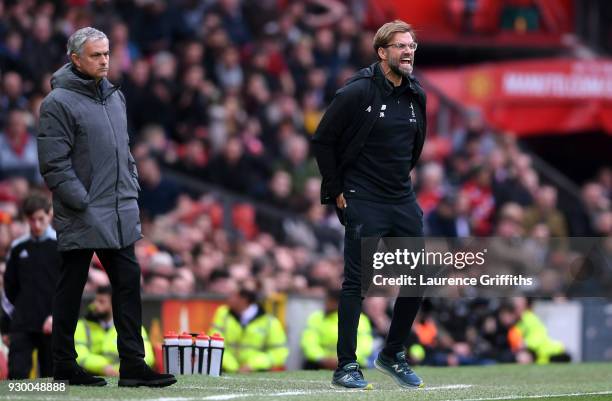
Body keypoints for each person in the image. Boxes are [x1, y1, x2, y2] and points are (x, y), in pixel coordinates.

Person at [37, 27, 176, 387]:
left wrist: (130, 184)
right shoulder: (57, 103)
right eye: (96, 55)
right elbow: (54, 164)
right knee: (72, 287)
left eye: (107, 53)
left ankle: (132, 365)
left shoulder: (115, 96)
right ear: (75, 59)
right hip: (84, 210)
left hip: (117, 208)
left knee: (128, 282)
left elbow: (124, 151)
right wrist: (81, 201)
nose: (104, 60)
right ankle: (64, 364)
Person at [312, 20, 427, 389]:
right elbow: (323, 140)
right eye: (400, 46)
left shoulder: (415, 93)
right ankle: (346, 366)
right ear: (382, 52)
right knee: (357, 283)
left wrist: (401, 184)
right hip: (363, 197)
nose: (408, 52)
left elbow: (414, 147)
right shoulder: (357, 92)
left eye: (411, 46)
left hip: (400, 196)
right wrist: (337, 189)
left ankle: (392, 353)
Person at [1, 192, 60, 379]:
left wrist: (55, 316)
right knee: (17, 378)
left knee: (53, 382)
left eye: (40, 219)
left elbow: (69, 289)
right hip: (22, 324)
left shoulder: (61, 245)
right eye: (31, 220)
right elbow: (9, 289)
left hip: (53, 324)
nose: (36, 225)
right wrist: (6, 326)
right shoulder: (18, 248)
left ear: (49, 214)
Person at [75, 286, 155, 377]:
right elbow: (79, 355)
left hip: (122, 376)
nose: (95, 305)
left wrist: (118, 370)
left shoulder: (132, 327)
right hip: (90, 376)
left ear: (115, 304)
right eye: (95, 300)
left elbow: (148, 357)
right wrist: (103, 367)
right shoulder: (81, 326)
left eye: (101, 301)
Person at [210, 285, 289, 373]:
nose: (228, 298)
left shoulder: (270, 322)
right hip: (227, 370)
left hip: (257, 373)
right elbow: (215, 344)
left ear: (244, 299)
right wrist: (233, 367)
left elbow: (279, 353)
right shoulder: (222, 314)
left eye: (233, 295)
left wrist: (252, 365)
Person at [301, 289, 373, 370]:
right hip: (321, 363)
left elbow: (365, 345)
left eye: (330, 300)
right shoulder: (317, 317)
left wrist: (344, 360)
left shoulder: (360, 319)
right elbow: (309, 342)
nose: (326, 303)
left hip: (351, 362)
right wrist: (321, 358)